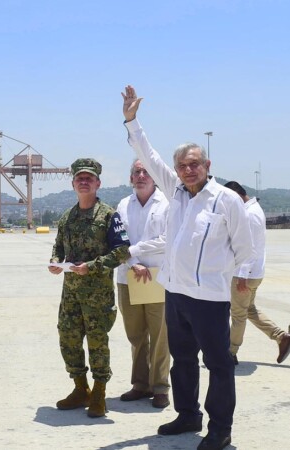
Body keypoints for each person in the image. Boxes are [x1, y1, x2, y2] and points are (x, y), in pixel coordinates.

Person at [122, 85, 254, 450]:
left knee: (219, 365)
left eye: (194, 164)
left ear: (207, 166)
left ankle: (220, 429)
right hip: (176, 294)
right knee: (182, 360)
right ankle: (187, 415)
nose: (187, 170)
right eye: (181, 165)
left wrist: (237, 277)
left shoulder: (226, 201)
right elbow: (148, 157)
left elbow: (246, 248)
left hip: (209, 298)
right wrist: (132, 121)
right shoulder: (175, 191)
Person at [48, 158, 130, 418]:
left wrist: (93, 266)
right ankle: (80, 388)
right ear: (73, 184)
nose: (84, 182)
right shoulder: (67, 217)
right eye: (79, 178)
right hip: (70, 293)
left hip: (97, 294)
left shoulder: (108, 215)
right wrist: (54, 262)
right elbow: (58, 247)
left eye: (89, 178)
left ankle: (99, 392)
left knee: (97, 342)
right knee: (68, 339)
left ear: (97, 183)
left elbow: (122, 251)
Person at [115, 160, 171, 408]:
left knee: (160, 335)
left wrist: (135, 253)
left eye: (146, 171)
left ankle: (160, 386)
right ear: (130, 178)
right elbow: (118, 239)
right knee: (136, 335)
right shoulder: (123, 205)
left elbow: (166, 240)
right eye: (136, 172)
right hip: (129, 276)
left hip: (157, 277)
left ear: (155, 177)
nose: (140, 175)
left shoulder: (167, 204)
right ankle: (140, 384)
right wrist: (134, 261)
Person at [223, 181, 290, 365]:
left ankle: (231, 352)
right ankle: (281, 337)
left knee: (238, 315)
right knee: (249, 309)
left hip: (245, 274)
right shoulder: (255, 209)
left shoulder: (248, 214)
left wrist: (242, 274)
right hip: (254, 272)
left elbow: (249, 247)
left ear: (236, 195)